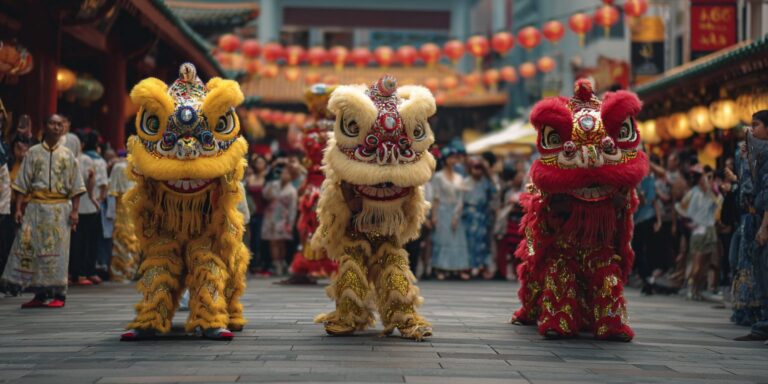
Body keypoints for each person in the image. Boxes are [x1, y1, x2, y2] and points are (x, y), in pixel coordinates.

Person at [0, 114, 85, 308]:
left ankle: (59, 294)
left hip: (60, 210)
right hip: (36, 208)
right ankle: (39, 294)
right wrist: (18, 208)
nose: (56, 127)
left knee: (58, 253)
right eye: (52, 123)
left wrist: (75, 211)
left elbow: (76, 186)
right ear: (45, 126)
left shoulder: (68, 155)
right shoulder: (33, 153)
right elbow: (23, 182)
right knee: (35, 250)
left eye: (60, 124)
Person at [733, 110, 768, 341]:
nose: (751, 130)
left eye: (756, 125)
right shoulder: (758, 154)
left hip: (763, 220)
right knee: (760, 271)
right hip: (753, 217)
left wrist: (764, 227)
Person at [680, 165, 721, 301]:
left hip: (709, 230)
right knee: (697, 262)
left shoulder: (712, 192)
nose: (707, 180)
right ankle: (691, 288)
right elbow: (683, 209)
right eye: (705, 177)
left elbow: (718, 206)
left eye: (710, 178)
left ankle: (697, 289)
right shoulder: (694, 193)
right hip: (699, 230)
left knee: (705, 263)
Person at [431, 148, 470, 280]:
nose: (454, 160)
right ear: (445, 159)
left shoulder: (459, 177)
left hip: (456, 210)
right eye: (451, 157)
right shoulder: (438, 176)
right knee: (443, 239)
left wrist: (456, 215)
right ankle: (440, 268)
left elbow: (460, 198)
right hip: (442, 210)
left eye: (455, 158)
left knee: (457, 239)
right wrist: (434, 215)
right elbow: (436, 198)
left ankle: (458, 268)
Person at [69, 131, 99, 286]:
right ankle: (76, 273)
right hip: (76, 206)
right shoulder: (71, 159)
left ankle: (79, 272)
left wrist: (93, 196)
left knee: (80, 242)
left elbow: (90, 182)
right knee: (77, 242)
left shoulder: (85, 160)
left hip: (83, 206)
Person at [462, 157, 497, 278]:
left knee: (483, 241)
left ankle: (483, 266)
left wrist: (488, 172)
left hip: (483, 214)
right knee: (470, 241)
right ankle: (469, 266)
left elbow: (495, 191)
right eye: (475, 168)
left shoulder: (486, 182)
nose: (478, 171)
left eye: (480, 168)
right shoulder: (466, 181)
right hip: (470, 214)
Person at [108, 152, 138, 283]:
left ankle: (121, 272)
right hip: (133, 205)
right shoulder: (140, 166)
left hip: (122, 206)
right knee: (132, 237)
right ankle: (131, 271)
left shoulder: (118, 167)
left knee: (122, 237)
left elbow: (112, 191)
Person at [261, 166, 297, 276]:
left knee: (281, 242)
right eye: (283, 173)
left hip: (283, 217)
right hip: (271, 215)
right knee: (273, 241)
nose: (284, 175)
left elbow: (293, 208)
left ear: (291, 176)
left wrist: (291, 223)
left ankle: (282, 262)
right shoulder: (273, 184)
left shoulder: (292, 190)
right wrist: (269, 183)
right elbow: (265, 195)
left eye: (287, 173)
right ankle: (276, 264)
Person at [632, 166, 662, 295]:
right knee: (637, 252)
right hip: (638, 220)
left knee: (642, 251)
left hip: (647, 220)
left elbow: (651, 201)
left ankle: (648, 279)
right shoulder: (635, 181)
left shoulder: (648, 180)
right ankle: (647, 280)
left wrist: (659, 220)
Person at [245, 155, 270, 274]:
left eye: (261, 162)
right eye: (257, 162)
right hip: (251, 211)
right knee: (250, 238)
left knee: (260, 238)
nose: (259, 164)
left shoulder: (268, 178)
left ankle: (261, 263)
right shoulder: (250, 178)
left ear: (265, 164)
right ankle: (251, 263)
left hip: (264, 212)